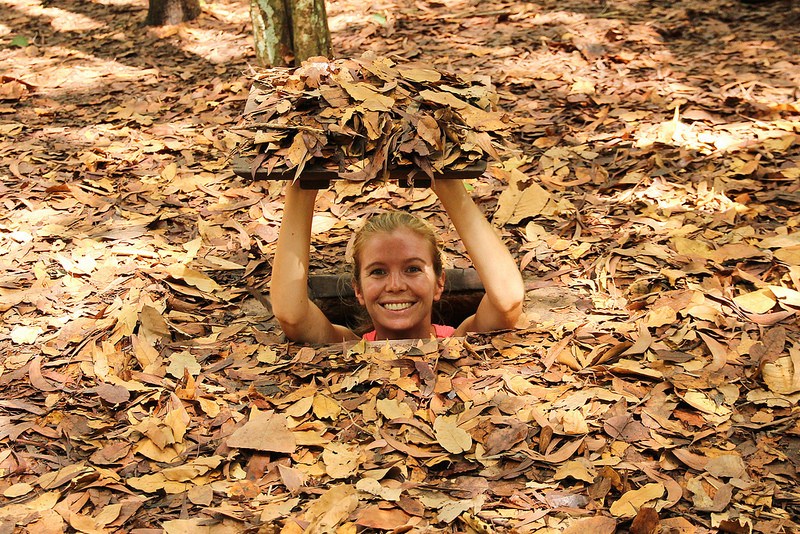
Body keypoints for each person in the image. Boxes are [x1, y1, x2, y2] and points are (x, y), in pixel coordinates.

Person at [270, 179, 525, 343]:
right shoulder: (347, 346)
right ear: (357, 288)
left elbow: (507, 301)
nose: (395, 285)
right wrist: (301, 189)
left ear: (439, 283)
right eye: (378, 272)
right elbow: (292, 315)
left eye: (412, 269)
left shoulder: (459, 340)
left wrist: (448, 185)